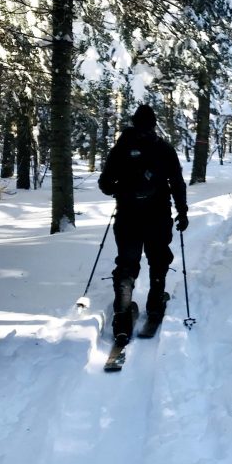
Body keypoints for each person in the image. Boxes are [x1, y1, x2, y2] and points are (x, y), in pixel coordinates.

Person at [98, 104, 188, 344]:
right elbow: (177, 182)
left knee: (127, 265)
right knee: (158, 259)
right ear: (154, 124)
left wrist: (123, 191)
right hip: (158, 216)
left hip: (128, 217)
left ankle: (121, 317)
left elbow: (105, 184)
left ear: (134, 122)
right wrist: (182, 211)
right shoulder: (164, 149)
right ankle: (156, 303)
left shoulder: (121, 148)